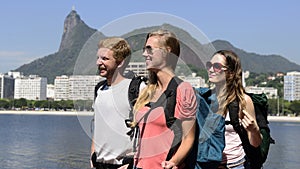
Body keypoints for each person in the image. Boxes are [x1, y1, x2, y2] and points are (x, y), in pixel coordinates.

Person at [132, 29, 197, 169]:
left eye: (149, 50)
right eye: (144, 49)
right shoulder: (148, 90)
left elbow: (188, 138)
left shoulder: (183, 89)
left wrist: (174, 162)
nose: (144, 54)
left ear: (167, 52)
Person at [90, 37, 145, 169]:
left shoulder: (137, 88)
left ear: (120, 62)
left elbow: (150, 132)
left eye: (104, 59)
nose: (98, 63)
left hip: (125, 165)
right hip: (98, 164)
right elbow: (97, 127)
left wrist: (131, 165)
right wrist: (92, 157)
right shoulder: (99, 89)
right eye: (98, 58)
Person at [205, 50, 262, 169]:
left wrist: (254, 130)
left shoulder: (243, 101)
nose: (210, 69)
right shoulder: (205, 98)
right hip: (209, 165)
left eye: (216, 66)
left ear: (230, 73)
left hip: (235, 165)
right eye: (209, 65)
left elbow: (255, 143)